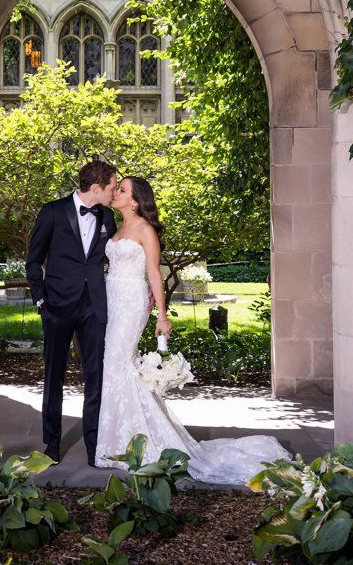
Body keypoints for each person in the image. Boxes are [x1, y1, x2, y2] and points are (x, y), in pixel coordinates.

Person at [94, 176, 290, 485]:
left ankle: (144, 444)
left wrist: (161, 315)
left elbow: (153, 273)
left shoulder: (145, 230)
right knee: (114, 369)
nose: (116, 192)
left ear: (135, 200)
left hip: (131, 304)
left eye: (122, 189)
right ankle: (120, 442)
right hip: (112, 302)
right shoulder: (116, 227)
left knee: (118, 365)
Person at [26, 159, 120, 466]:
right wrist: (41, 300)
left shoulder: (107, 215)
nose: (114, 192)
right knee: (54, 375)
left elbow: (112, 259)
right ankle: (52, 444)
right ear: (96, 188)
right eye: (112, 186)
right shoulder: (52, 212)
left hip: (93, 305)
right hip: (57, 306)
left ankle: (95, 447)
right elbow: (34, 259)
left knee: (95, 376)